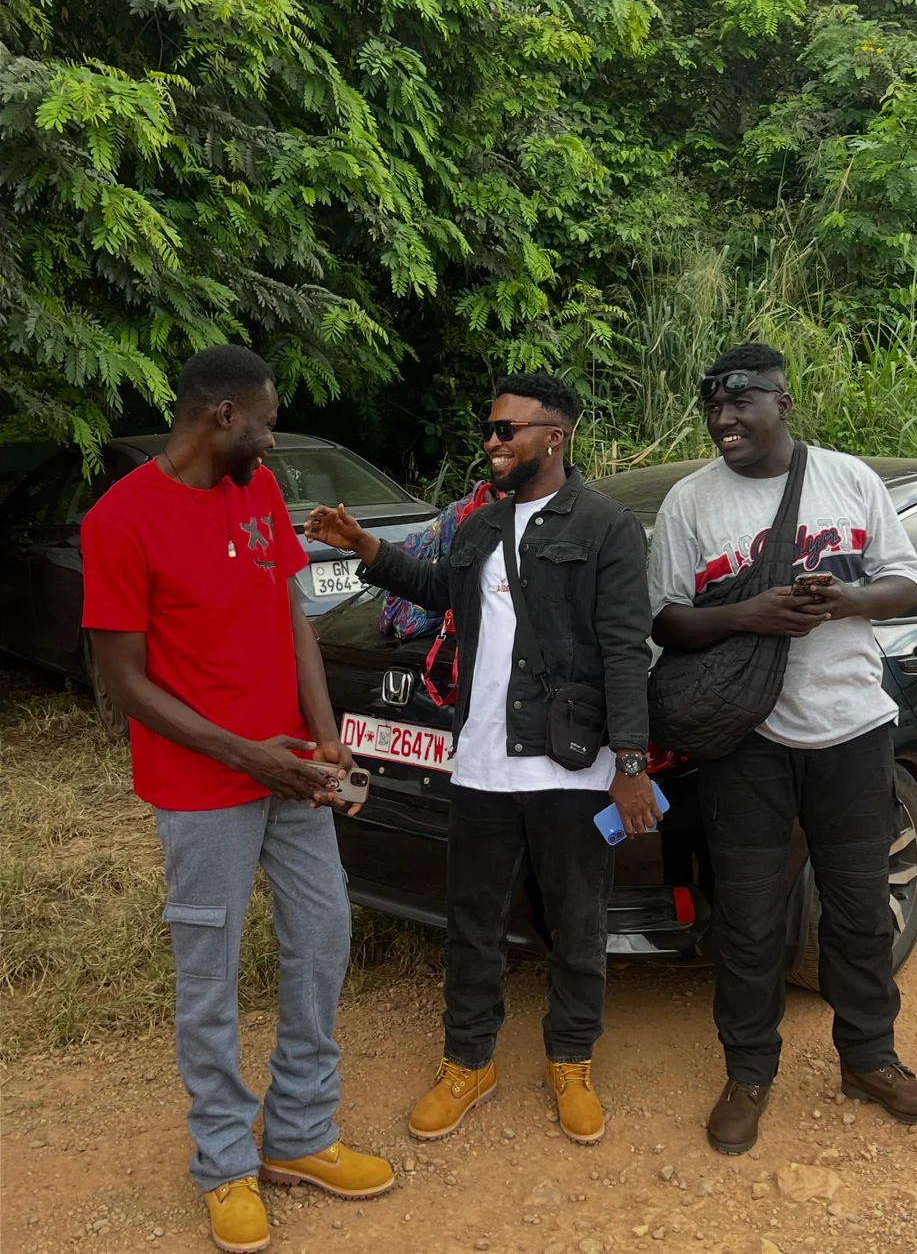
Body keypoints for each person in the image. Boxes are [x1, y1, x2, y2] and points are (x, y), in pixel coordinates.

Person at [81, 345, 394, 1254]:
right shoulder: (122, 520)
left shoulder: (254, 490)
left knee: (324, 934)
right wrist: (246, 757)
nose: (273, 433)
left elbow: (289, 609)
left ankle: (299, 1133)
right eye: (265, 417)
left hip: (294, 769)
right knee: (210, 977)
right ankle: (223, 1160)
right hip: (203, 788)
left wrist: (323, 727)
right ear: (221, 416)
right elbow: (125, 684)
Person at [305, 372, 661, 1146]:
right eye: (490, 429)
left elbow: (625, 649)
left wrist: (629, 765)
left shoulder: (604, 528)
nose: (493, 442)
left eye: (509, 430)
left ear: (554, 436)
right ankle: (469, 1060)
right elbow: (437, 590)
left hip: (573, 769)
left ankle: (571, 1059)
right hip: (480, 769)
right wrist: (367, 548)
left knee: (576, 922)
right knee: (471, 922)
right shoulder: (479, 525)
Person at [647, 341, 917, 1155]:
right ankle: (748, 1072)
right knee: (747, 918)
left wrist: (847, 597)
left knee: (856, 909)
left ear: (782, 402)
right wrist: (749, 615)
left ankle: (870, 1060)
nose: (723, 419)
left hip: (852, 729)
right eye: (712, 406)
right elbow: (667, 618)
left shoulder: (850, 481)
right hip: (745, 740)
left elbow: (906, 583)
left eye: (739, 402)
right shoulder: (689, 503)